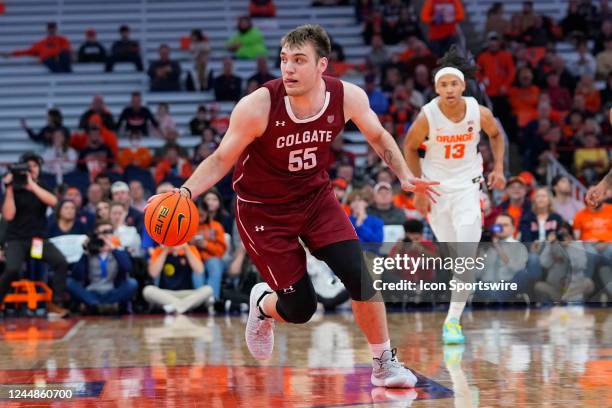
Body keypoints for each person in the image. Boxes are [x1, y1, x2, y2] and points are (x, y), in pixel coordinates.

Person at [149, 25, 438, 388]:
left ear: (322, 66)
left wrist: (404, 175)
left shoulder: (346, 96)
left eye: (299, 60)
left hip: (315, 199)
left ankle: (383, 363)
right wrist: (185, 193)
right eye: (284, 59)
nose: (288, 68)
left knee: (360, 276)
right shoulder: (257, 106)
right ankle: (262, 304)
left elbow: (379, 136)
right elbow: (222, 158)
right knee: (301, 309)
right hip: (263, 210)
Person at [403, 46, 506, 344]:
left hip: (468, 187)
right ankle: (461, 296)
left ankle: (452, 322)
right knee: (453, 253)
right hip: (436, 190)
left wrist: (498, 168)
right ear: (437, 89)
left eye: (453, 84)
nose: (449, 89)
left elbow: (497, 135)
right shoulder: (428, 115)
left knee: (465, 254)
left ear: (463, 86)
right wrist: (418, 187)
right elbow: (409, 147)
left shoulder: (478, 111)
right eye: (443, 85)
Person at [1, 152, 69, 317]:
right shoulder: (14, 189)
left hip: (37, 241)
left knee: (60, 262)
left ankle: (55, 303)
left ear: (39, 168)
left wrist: (32, 185)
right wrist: (9, 189)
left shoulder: (41, 186)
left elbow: (54, 203)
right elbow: (8, 216)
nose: (31, 169)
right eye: (28, 167)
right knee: (12, 270)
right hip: (16, 239)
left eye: (34, 166)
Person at [67, 221, 138, 313]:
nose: (105, 236)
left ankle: (99, 305)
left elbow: (127, 267)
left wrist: (114, 250)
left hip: (112, 292)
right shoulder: (90, 251)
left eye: (108, 232)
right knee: (69, 282)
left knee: (132, 283)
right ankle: (98, 304)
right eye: (102, 233)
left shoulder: (118, 250)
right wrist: (85, 254)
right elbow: (76, 275)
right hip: (92, 292)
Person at [143, 243, 213, 314]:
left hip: (187, 294)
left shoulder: (190, 249)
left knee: (208, 289)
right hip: (165, 294)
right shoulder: (159, 250)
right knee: (147, 290)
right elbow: (153, 273)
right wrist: (165, 250)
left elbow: (200, 270)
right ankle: (182, 306)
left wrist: (186, 248)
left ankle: (176, 306)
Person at [2, 22, 72, 73]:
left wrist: (56, 54)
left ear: (55, 29)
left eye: (53, 28)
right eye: (50, 28)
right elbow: (26, 51)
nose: (51, 30)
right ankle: (64, 73)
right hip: (49, 61)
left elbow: (66, 49)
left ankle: (65, 73)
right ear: (48, 29)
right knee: (49, 60)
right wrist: (11, 54)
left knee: (64, 56)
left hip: (59, 59)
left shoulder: (62, 40)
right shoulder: (41, 43)